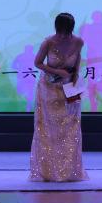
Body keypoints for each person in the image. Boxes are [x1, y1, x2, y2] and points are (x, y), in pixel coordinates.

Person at [29, 12, 87, 182]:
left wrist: (75, 75)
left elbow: (78, 58)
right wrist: (57, 71)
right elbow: (37, 63)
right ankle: (48, 171)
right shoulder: (48, 42)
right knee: (49, 129)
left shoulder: (78, 41)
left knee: (71, 128)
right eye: (61, 30)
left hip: (70, 88)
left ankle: (69, 171)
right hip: (48, 89)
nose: (63, 35)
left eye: (66, 31)